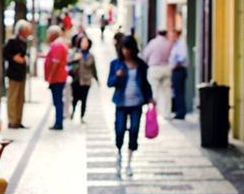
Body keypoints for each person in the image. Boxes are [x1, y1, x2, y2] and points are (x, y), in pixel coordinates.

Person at [108, 35, 153, 176]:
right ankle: (119, 154)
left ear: (133, 49)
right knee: (120, 130)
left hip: (137, 103)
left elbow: (145, 83)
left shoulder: (141, 65)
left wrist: (150, 98)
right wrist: (117, 76)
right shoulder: (116, 64)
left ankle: (129, 163)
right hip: (121, 103)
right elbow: (109, 83)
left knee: (134, 130)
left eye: (128, 48)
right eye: (123, 48)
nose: (125, 51)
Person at [3, 21, 31, 129]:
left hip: (21, 73)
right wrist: (14, 58)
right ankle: (12, 120)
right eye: (27, 29)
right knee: (13, 98)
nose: (29, 31)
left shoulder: (24, 41)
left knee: (20, 98)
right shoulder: (12, 41)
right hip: (14, 73)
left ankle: (18, 120)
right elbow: (5, 53)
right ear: (22, 30)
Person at [141, 29, 173, 116]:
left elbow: (145, 54)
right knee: (167, 93)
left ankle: (153, 112)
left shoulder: (153, 43)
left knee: (154, 91)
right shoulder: (169, 43)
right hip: (166, 68)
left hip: (155, 68)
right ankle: (167, 113)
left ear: (157, 33)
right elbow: (171, 56)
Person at [43, 25, 69, 131]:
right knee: (57, 101)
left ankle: (58, 123)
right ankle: (58, 122)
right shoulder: (58, 44)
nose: (47, 36)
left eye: (48, 34)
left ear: (53, 34)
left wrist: (50, 76)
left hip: (57, 78)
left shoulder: (57, 45)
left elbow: (55, 62)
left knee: (57, 101)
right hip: (58, 77)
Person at [70, 35, 97, 122]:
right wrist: (75, 59)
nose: (84, 44)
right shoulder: (75, 53)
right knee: (75, 98)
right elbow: (69, 64)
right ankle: (73, 112)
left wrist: (97, 79)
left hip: (86, 80)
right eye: (82, 42)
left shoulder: (90, 56)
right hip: (76, 80)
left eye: (86, 42)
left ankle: (82, 116)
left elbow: (92, 67)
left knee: (84, 99)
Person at [169, 30, 188, 120]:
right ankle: (179, 111)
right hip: (176, 70)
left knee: (179, 92)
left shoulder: (181, 44)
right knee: (177, 92)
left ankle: (180, 112)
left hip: (179, 70)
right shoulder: (176, 45)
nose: (171, 37)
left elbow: (181, 58)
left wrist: (174, 67)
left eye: (173, 35)